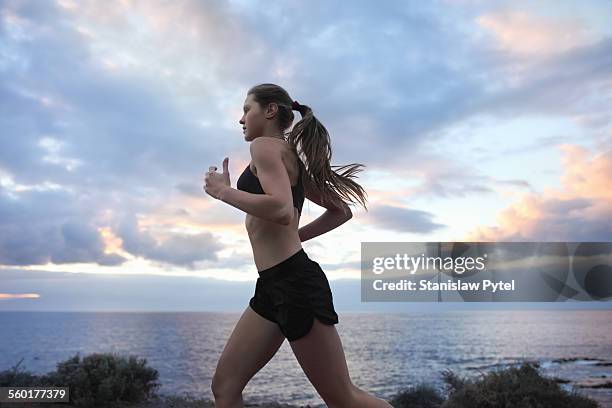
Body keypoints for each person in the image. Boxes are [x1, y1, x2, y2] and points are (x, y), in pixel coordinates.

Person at [203, 83, 392, 408]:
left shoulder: (264, 147)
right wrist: (296, 238)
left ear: (270, 110)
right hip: (272, 286)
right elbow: (340, 211)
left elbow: (281, 209)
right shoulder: (288, 157)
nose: (241, 118)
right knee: (225, 386)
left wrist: (224, 192)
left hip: (295, 284)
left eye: (247, 109)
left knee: (343, 399)